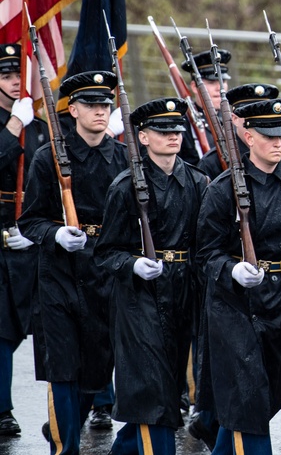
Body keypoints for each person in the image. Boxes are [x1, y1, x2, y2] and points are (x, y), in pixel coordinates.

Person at [19, 71, 129, 455]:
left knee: (96, 371)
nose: (101, 111)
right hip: (61, 276)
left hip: (105, 271)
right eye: (92, 105)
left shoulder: (122, 157)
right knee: (63, 368)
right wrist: (55, 234)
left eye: (105, 105)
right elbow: (29, 220)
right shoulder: (48, 156)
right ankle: (65, 448)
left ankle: (64, 427)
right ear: (74, 109)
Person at [196, 98, 281, 454]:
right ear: (248, 136)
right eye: (268, 136)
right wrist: (232, 269)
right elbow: (205, 255)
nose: (278, 143)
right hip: (238, 308)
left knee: (269, 396)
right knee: (247, 404)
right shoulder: (223, 189)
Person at [96, 98, 209, 454]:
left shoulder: (196, 181)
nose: (173, 136)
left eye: (177, 130)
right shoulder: (126, 185)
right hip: (140, 297)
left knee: (168, 387)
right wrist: (132, 264)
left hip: (182, 291)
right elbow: (106, 253)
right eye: (163, 131)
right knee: (153, 390)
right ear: (142, 137)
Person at [0, 44, 47, 437]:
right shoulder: (15, 122)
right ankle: (2, 409)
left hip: (26, 233)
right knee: (1, 328)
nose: (16, 82)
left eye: (20, 75)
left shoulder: (38, 124)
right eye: (7, 76)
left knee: (17, 326)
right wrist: (12, 126)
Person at [197, 83, 279, 181]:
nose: (257, 122)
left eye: (263, 116)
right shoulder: (212, 163)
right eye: (250, 115)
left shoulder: (277, 156)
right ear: (234, 119)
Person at [179, 48, 231, 164]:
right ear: (194, 87)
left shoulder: (233, 119)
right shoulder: (184, 123)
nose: (219, 88)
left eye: (223, 81)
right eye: (212, 83)